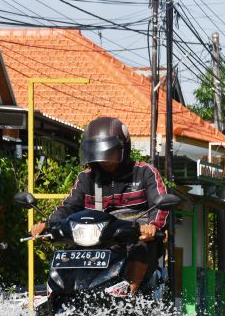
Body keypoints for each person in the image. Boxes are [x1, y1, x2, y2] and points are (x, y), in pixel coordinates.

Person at [31, 116, 169, 296]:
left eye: (109, 153)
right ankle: (61, 297)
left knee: (140, 247)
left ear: (123, 149)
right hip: (96, 242)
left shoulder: (144, 173)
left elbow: (161, 204)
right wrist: (47, 224)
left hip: (133, 238)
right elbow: (68, 206)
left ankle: (129, 298)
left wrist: (152, 226)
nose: (104, 159)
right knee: (68, 251)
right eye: (97, 152)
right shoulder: (86, 178)